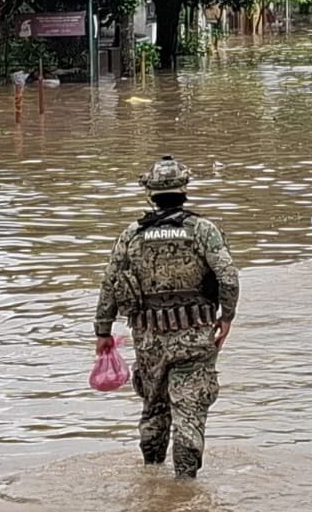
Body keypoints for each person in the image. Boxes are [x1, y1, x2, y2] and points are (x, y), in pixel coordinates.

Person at [95, 156, 240, 479]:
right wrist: (227, 317)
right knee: (189, 409)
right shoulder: (203, 231)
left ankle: (151, 475)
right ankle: (185, 484)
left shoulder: (132, 234)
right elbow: (228, 278)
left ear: (151, 193)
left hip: (148, 339)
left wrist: (103, 330)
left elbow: (110, 284)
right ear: (184, 189)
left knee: (154, 406)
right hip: (194, 335)